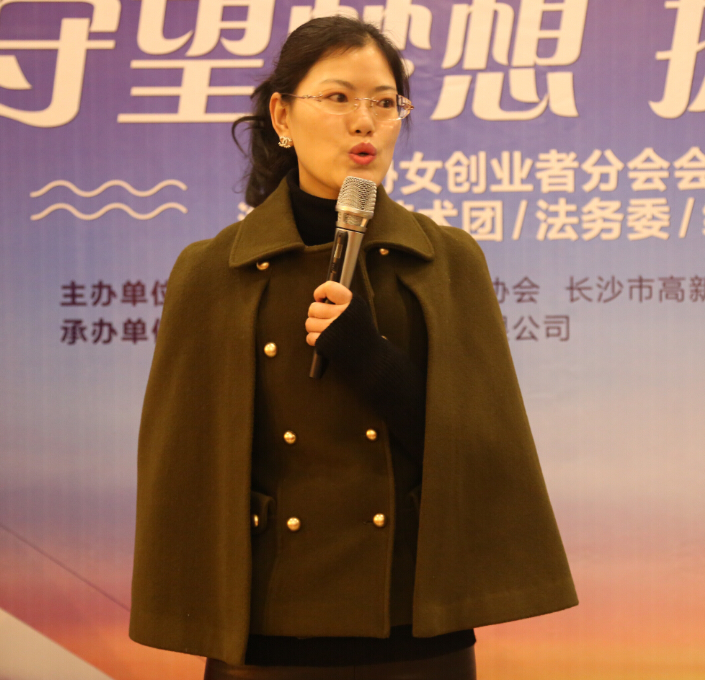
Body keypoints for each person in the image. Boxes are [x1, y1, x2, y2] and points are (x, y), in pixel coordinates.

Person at [129, 16, 577, 680]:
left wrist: (373, 360)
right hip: (268, 623)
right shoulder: (212, 271)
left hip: (412, 621)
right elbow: (185, 463)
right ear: (282, 115)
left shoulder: (447, 260)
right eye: (338, 97)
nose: (364, 122)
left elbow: (482, 451)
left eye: (384, 102)